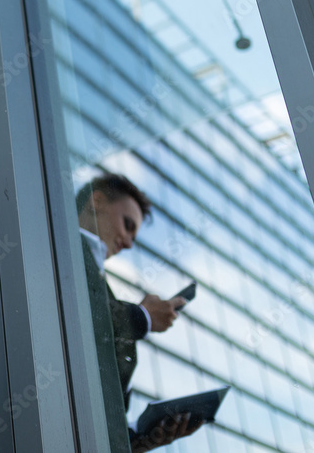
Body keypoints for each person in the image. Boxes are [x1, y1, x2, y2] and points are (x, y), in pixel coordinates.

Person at [76, 173, 204, 452]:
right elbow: (78, 317)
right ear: (96, 201)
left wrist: (143, 437)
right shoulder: (61, 250)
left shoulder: (95, 278)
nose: (130, 243)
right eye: (128, 225)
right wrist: (143, 317)